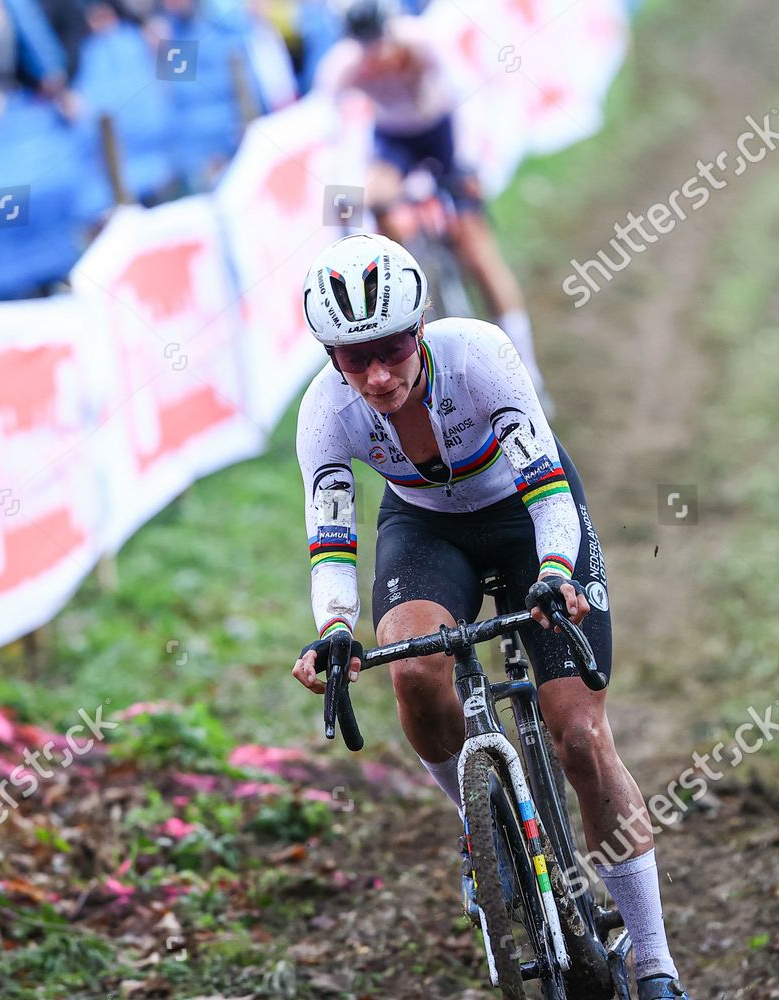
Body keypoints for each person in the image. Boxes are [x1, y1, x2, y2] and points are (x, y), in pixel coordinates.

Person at [290, 234, 688, 1000]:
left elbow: (546, 490)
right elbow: (331, 541)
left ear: (422, 327)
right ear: (329, 357)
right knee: (409, 667)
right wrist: (336, 628)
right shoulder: (324, 413)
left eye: (393, 347)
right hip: (426, 530)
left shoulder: (480, 356)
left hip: (529, 515)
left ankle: (653, 962)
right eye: (351, 357)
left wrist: (550, 575)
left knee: (579, 735)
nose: (376, 374)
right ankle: (483, 829)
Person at [311, 0, 549, 406]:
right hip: (393, 143)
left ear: (392, 28)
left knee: (476, 249)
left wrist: (470, 167)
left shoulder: (422, 42)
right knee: (379, 205)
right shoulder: (340, 69)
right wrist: (343, 219)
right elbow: (335, 141)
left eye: (381, 43)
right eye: (365, 47)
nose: (377, 57)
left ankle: (528, 371)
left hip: (443, 133)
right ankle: (406, 281)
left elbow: (467, 96)